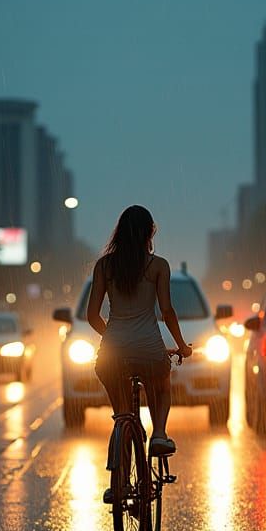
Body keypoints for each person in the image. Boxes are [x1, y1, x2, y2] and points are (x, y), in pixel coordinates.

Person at [87, 206, 193, 499]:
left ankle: (118, 482)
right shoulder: (158, 266)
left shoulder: (104, 267)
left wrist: (112, 336)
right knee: (160, 384)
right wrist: (182, 345)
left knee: (122, 414)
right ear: (149, 234)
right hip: (149, 348)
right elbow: (167, 311)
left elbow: (92, 315)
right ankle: (159, 433)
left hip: (112, 353)